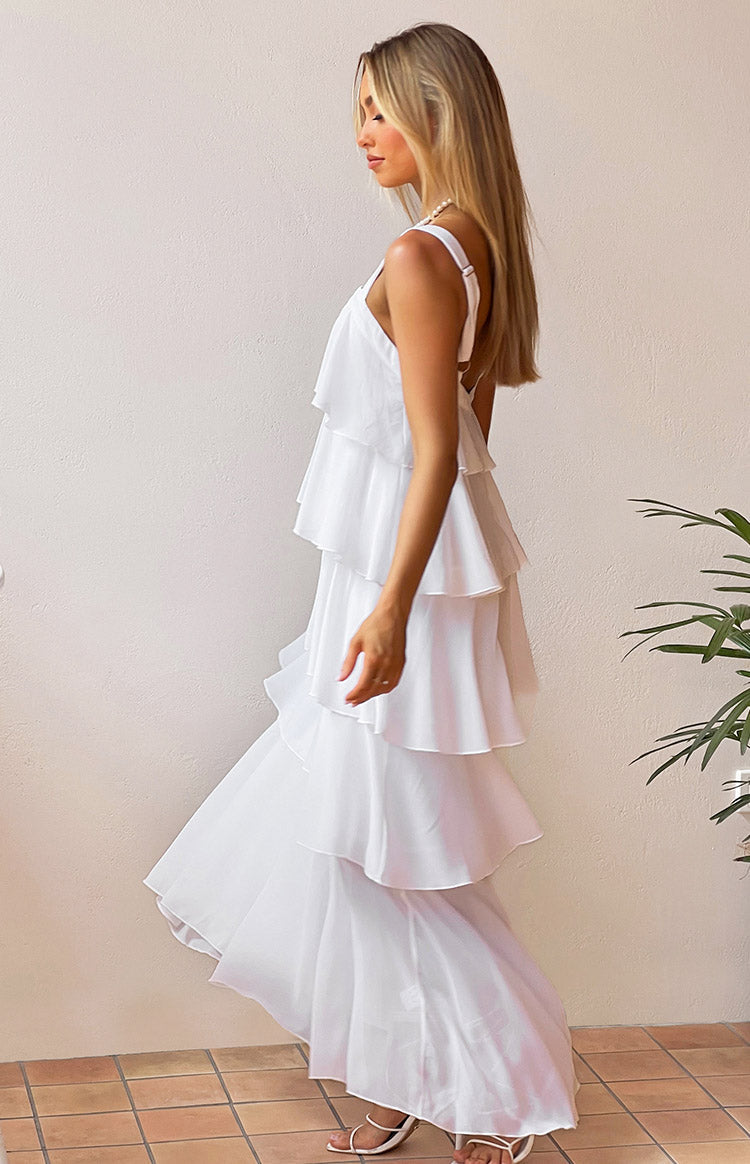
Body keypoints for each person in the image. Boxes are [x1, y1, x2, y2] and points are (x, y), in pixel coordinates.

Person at [143, 21, 579, 1164]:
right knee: (363, 834)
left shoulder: (422, 258)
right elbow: (480, 428)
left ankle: (509, 1090)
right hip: (410, 573)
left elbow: (441, 449)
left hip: (405, 579)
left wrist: (390, 608)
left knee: (389, 838)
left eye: (385, 110)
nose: (363, 134)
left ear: (441, 116)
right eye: (360, 111)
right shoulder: (473, 244)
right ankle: (403, 1072)